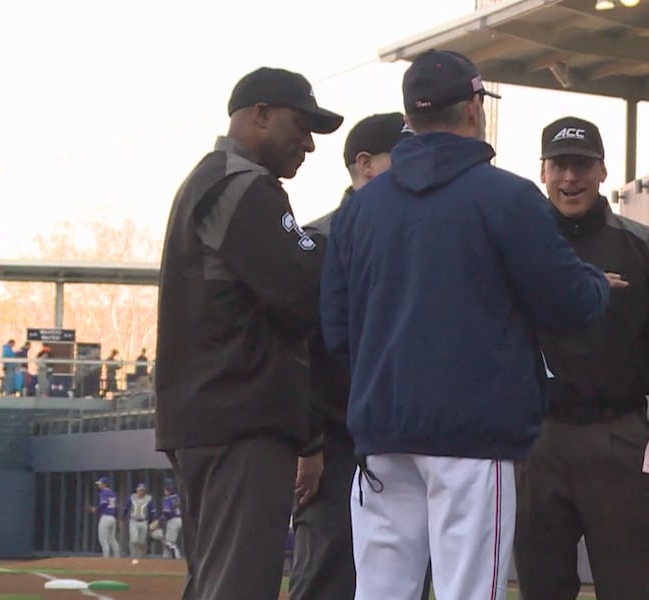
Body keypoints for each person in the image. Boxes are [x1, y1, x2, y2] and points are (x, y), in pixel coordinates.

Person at [319, 49, 611, 600]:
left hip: (382, 432)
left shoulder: (360, 208)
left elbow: (335, 330)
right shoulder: (506, 196)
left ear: (408, 116)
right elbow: (570, 303)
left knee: (381, 592)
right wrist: (595, 281)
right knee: (469, 592)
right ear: (474, 108)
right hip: (473, 435)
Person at [155, 66, 343, 600]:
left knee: (218, 581)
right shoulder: (241, 187)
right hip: (238, 418)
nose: (307, 143)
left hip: (213, 415)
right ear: (259, 115)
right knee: (239, 586)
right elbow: (299, 291)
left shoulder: (211, 180)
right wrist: (340, 246)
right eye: (299, 125)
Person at [512, 116, 649, 600]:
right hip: (536, 439)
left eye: (582, 165)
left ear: (603, 171)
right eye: (560, 165)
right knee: (540, 587)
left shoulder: (644, 246)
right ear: (543, 171)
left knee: (636, 587)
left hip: (620, 435)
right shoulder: (515, 243)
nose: (570, 178)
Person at [288, 112, 413, 600]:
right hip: (338, 443)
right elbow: (300, 350)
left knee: (404, 578)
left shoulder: (417, 237)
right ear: (365, 165)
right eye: (401, 157)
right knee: (328, 573)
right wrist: (310, 443)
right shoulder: (318, 240)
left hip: (405, 438)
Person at [88, 476, 121, 558]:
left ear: (105, 484)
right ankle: (117, 558)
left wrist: (96, 509)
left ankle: (106, 558)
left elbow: (104, 503)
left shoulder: (104, 492)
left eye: (100, 484)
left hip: (106, 517)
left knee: (103, 539)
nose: (99, 485)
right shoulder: (112, 493)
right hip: (112, 517)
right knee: (112, 539)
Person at [123, 482, 155, 559]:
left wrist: (153, 521)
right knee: (134, 539)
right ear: (137, 490)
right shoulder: (132, 497)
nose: (141, 492)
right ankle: (133, 555)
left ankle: (142, 556)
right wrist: (123, 518)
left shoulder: (148, 499)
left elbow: (152, 511)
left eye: (143, 490)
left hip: (143, 521)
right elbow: (126, 508)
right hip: (134, 520)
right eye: (140, 490)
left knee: (142, 541)